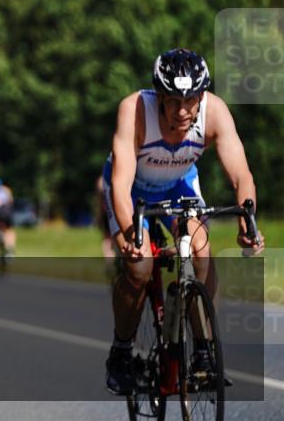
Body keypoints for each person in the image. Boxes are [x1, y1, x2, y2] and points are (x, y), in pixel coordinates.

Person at [102, 48, 264, 395]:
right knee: (140, 266)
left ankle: (204, 351)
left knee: (200, 250)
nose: (182, 110)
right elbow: (120, 184)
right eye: (173, 101)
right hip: (133, 191)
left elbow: (241, 175)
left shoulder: (215, 112)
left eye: (191, 100)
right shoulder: (134, 110)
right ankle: (121, 351)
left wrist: (247, 222)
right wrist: (131, 236)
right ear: (158, 96)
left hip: (178, 185)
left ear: (202, 96)